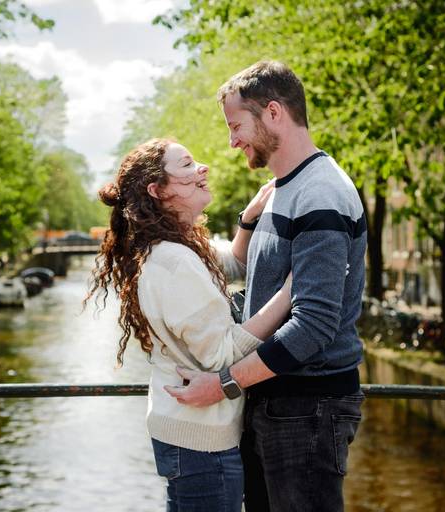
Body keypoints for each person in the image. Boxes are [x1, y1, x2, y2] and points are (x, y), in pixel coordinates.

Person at [165, 61, 368, 512]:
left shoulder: (321, 196)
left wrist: (221, 385)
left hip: (308, 407)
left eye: (236, 126)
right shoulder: (280, 189)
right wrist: (246, 223)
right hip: (276, 400)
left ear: (273, 113)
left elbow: (313, 325)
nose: (232, 141)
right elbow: (252, 274)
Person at [85, 138, 292, 512]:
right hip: (202, 445)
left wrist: (247, 219)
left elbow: (230, 265)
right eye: (187, 165)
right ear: (159, 190)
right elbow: (221, 355)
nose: (203, 169)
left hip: (185, 433)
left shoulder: (175, 246)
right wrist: (293, 292)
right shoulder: (176, 261)